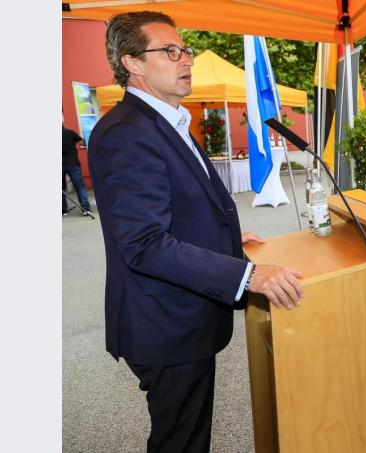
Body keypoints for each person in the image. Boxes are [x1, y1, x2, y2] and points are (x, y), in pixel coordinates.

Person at [89, 12, 304, 452]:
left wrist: (227, 237)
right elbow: (145, 243)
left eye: (184, 50)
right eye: (170, 51)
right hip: (164, 324)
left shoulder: (164, 121)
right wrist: (249, 276)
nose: (185, 59)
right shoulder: (128, 132)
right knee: (181, 442)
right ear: (132, 63)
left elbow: (173, 206)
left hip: (180, 316)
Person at [62, 123, 92, 216]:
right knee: (80, 187)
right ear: (63, 124)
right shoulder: (70, 133)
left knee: (61, 188)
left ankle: (63, 210)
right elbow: (82, 143)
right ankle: (85, 209)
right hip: (73, 164)